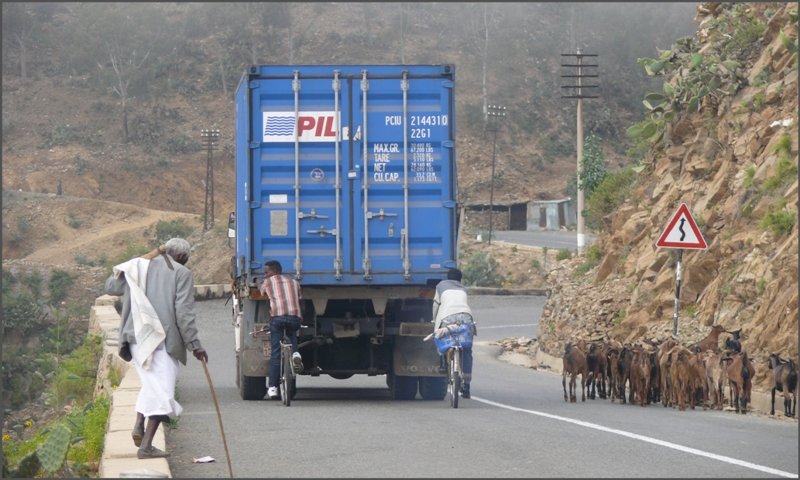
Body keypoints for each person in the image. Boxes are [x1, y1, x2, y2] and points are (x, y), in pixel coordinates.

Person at [105, 237, 208, 459]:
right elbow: (184, 313)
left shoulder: (138, 266)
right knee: (163, 392)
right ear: (181, 257)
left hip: (135, 338)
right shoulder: (181, 273)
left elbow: (111, 287)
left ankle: (139, 424)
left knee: (152, 386)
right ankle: (146, 446)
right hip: (162, 340)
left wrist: (135, 263)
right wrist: (195, 345)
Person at [259, 260, 304, 400]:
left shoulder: (267, 282)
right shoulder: (295, 282)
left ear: (275, 271)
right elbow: (300, 300)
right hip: (294, 318)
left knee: (275, 353)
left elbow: (261, 293)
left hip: (277, 319)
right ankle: (295, 354)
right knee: (292, 335)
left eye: (267, 272)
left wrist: (258, 283)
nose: (265, 275)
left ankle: (272, 387)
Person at [432, 268, 476, 398]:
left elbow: (436, 305)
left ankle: (442, 363)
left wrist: (434, 321)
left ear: (447, 277)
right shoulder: (463, 288)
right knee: (467, 349)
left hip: (447, 318)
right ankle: (466, 385)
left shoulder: (440, 286)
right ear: (460, 279)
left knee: (439, 337)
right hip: (466, 317)